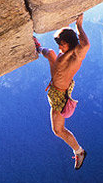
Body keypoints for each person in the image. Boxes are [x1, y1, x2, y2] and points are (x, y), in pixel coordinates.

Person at [33, 13, 90, 170]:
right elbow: (52, 53)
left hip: (60, 96)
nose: (60, 47)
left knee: (58, 130)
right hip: (53, 90)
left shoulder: (75, 57)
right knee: (50, 53)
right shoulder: (62, 53)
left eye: (62, 44)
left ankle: (79, 151)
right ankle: (37, 46)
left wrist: (79, 25)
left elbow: (85, 45)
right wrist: (40, 48)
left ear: (71, 44)